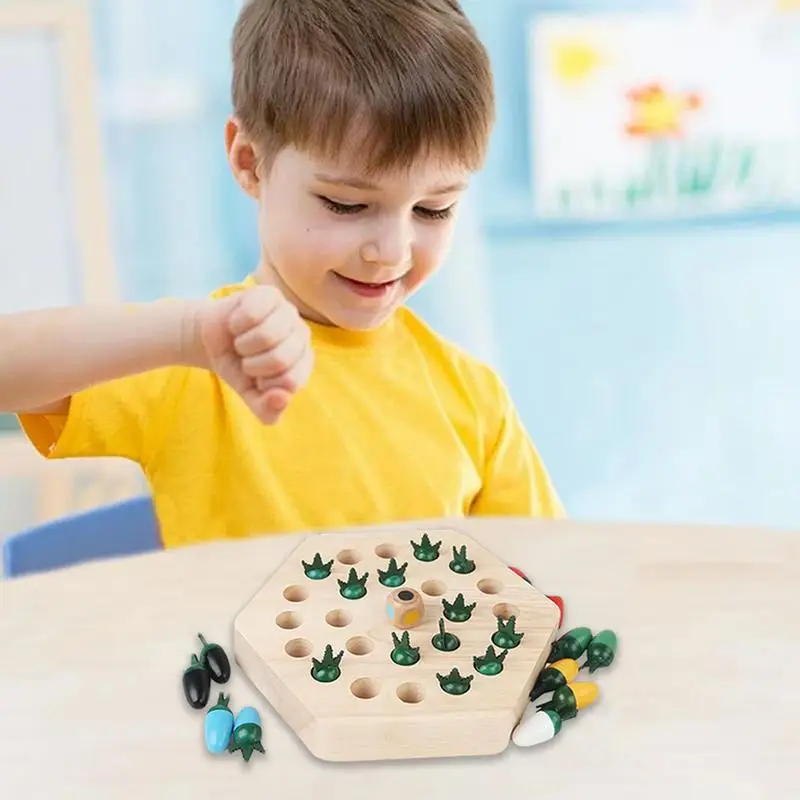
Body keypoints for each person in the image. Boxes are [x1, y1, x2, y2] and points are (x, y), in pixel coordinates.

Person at [0, 0, 564, 548]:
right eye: (345, 205)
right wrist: (183, 336)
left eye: (433, 210)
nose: (392, 251)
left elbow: (552, 579)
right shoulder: (199, 361)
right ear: (249, 162)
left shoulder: (474, 398)